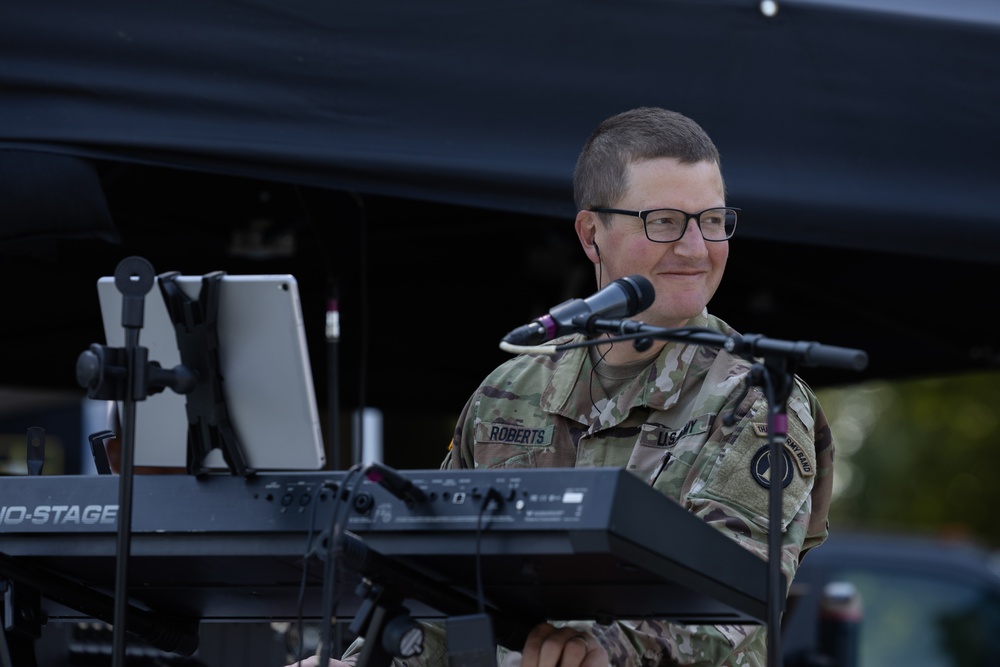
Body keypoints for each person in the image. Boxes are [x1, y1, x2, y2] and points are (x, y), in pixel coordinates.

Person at [285, 106, 834, 667]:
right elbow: (435, 597)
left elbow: (731, 605)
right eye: (665, 221)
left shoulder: (756, 397)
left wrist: (606, 652)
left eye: (713, 220)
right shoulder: (510, 389)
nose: (696, 248)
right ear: (592, 234)